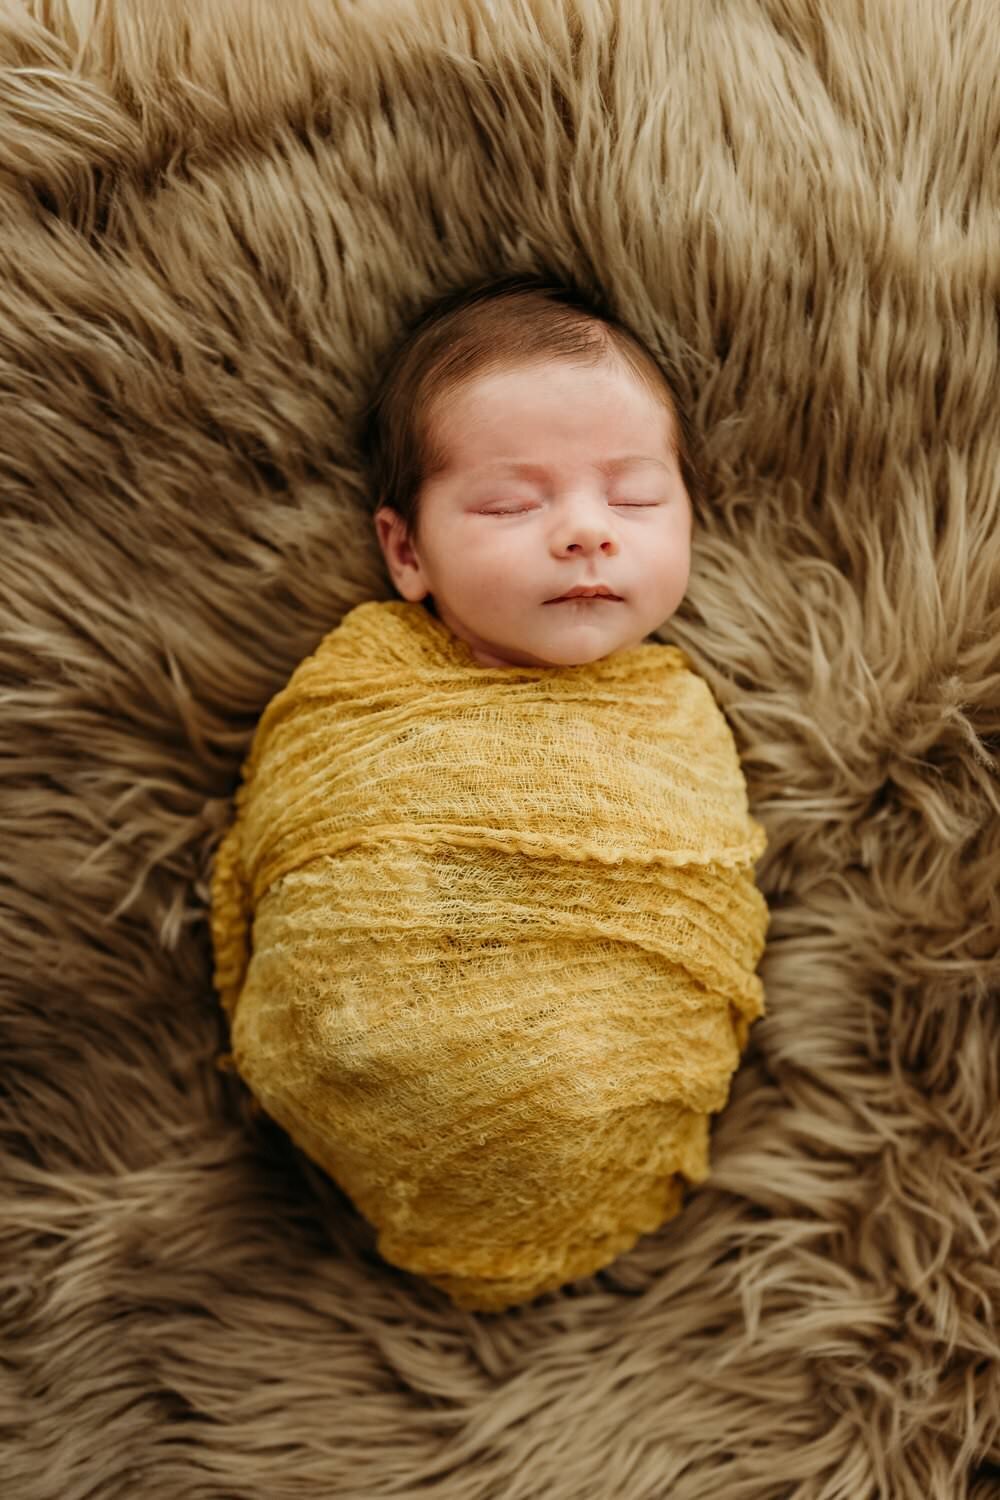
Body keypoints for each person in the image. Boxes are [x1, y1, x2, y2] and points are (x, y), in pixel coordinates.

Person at [363, 273, 702, 668]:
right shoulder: (363, 678)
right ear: (408, 553)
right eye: (509, 505)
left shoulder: (688, 706)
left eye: (634, 498)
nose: (587, 531)